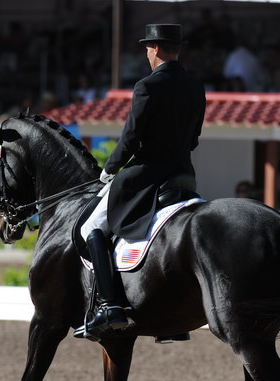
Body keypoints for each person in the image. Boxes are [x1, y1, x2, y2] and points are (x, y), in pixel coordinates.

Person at [74, 23, 206, 340]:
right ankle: (174, 319)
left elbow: (131, 138)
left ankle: (110, 307)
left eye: (148, 48)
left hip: (147, 174)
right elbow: (194, 140)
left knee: (92, 226)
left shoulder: (148, 86)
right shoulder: (195, 86)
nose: (147, 53)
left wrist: (110, 169)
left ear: (156, 49)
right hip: (184, 176)